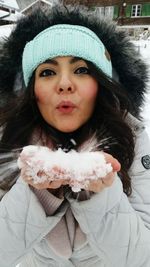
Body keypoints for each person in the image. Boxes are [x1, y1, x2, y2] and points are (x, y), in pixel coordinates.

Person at [0, 4, 150, 267]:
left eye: (81, 70)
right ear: (31, 89)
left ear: (100, 83)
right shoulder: (10, 143)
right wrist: (36, 192)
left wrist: (99, 194)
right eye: (47, 72)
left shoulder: (134, 141)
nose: (65, 83)